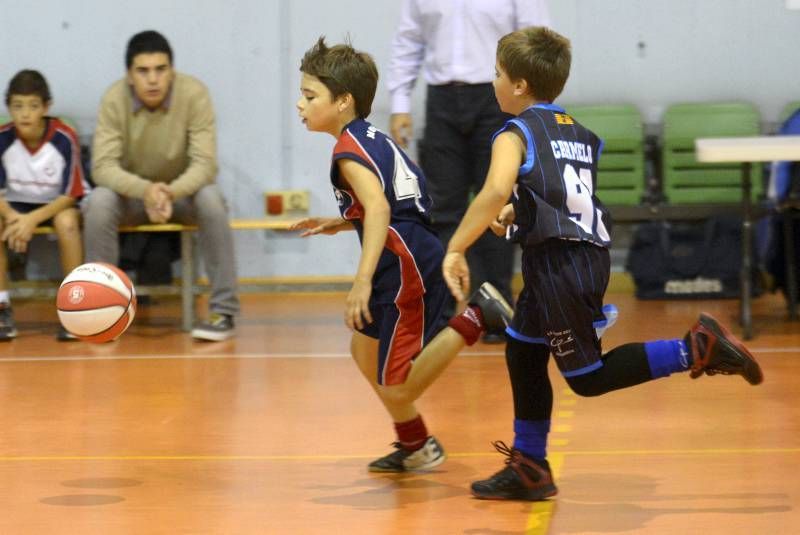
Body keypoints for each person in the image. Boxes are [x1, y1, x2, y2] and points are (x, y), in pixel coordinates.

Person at [441, 26, 765, 501]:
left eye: (496, 74)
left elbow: (493, 189)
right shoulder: (576, 131)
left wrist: (456, 246)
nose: (491, 83)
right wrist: (519, 211)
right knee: (523, 348)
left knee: (587, 379)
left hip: (561, 265)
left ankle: (695, 347)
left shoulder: (513, 132)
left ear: (519, 86)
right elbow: (562, 193)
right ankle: (531, 467)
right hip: (575, 256)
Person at [291, 37, 514, 472]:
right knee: (363, 350)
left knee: (397, 386)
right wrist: (341, 221)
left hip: (405, 263)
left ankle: (476, 318)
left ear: (343, 101)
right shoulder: (372, 136)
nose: (300, 104)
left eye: (309, 95)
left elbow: (379, 207)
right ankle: (417, 446)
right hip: (414, 245)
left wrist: (361, 281)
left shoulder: (347, 151)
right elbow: (392, 200)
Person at [387, 0, 551, 342]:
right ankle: (444, 309)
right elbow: (409, 40)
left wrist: (534, 106)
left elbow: (536, 41)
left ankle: (499, 309)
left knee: (498, 203)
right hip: (442, 99)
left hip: (497, 96)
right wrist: (400, 103)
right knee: (441, 208)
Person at [83, 30, 239, 341]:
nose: (153, 79)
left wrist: (169, 192)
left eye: (161, 69)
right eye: (143, 71)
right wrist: (146, 191)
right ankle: (100, 312)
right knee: (99, 201)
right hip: (133, 198)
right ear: (130, 75)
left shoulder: (194, 94)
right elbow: (102, 167)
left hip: (180, 196)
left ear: (172, 70)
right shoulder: (114, 99)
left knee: (211, 199)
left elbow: (205, 164)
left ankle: (223, 312)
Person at [0, 70, 87, 341]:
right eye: (18, 106)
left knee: (68, 223)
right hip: (15, 206)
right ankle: (2, 307)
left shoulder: (64, 136)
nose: (25, 114)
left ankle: (75, 307)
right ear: (9, 108)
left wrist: (31, 220)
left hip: (55, 204)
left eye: (33, 106)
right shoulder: (2, 138)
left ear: (46, 107)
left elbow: (70, 195)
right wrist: (15, 218)